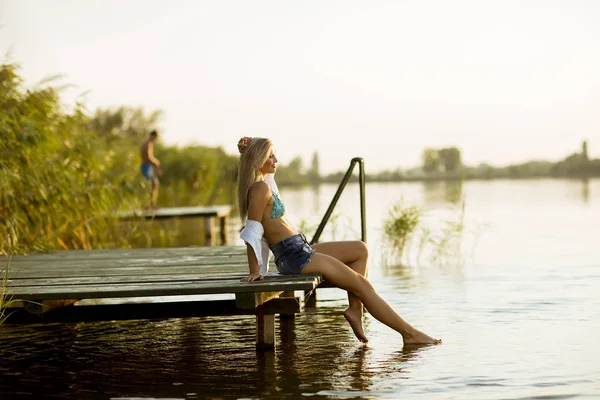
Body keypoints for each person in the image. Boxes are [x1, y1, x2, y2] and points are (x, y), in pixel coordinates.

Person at [237, 137, 441, 345]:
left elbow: (261, 192)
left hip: (299, 249)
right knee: (362, 285)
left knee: (360, 250)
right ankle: (409, 335)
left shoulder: (264, 185)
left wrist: (249, 148)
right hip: (295, 257)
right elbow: (252, 231)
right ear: (258, 159)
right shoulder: (259, 189)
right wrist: (255, 271)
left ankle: (355, 309)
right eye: (270, 155)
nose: (276, 159)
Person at [140, 130, 163, 209]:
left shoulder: (144, 143)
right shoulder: (148, 144)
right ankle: (150, 205)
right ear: (154, 136)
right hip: (147, 166)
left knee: (150, 185)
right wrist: (156, 162)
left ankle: (149, 204)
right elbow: (148, 157)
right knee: (153, 184)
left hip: (146, 166)